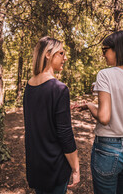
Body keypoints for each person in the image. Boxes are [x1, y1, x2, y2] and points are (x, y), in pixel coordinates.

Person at [77, 31, 123, 194]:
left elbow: (104, 117)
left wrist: (89, 105)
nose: (103, 55)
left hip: (108, 148)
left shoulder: (105, 75)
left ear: (117, 49)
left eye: (105, 50)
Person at [23, 36, 80, 194]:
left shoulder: (29, 86)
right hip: (54, 166)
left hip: (35, 165)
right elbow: (65, 133)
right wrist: (75, 168)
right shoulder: (60, 89)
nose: (65, 57)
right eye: (61, 53)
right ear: (48, 54)